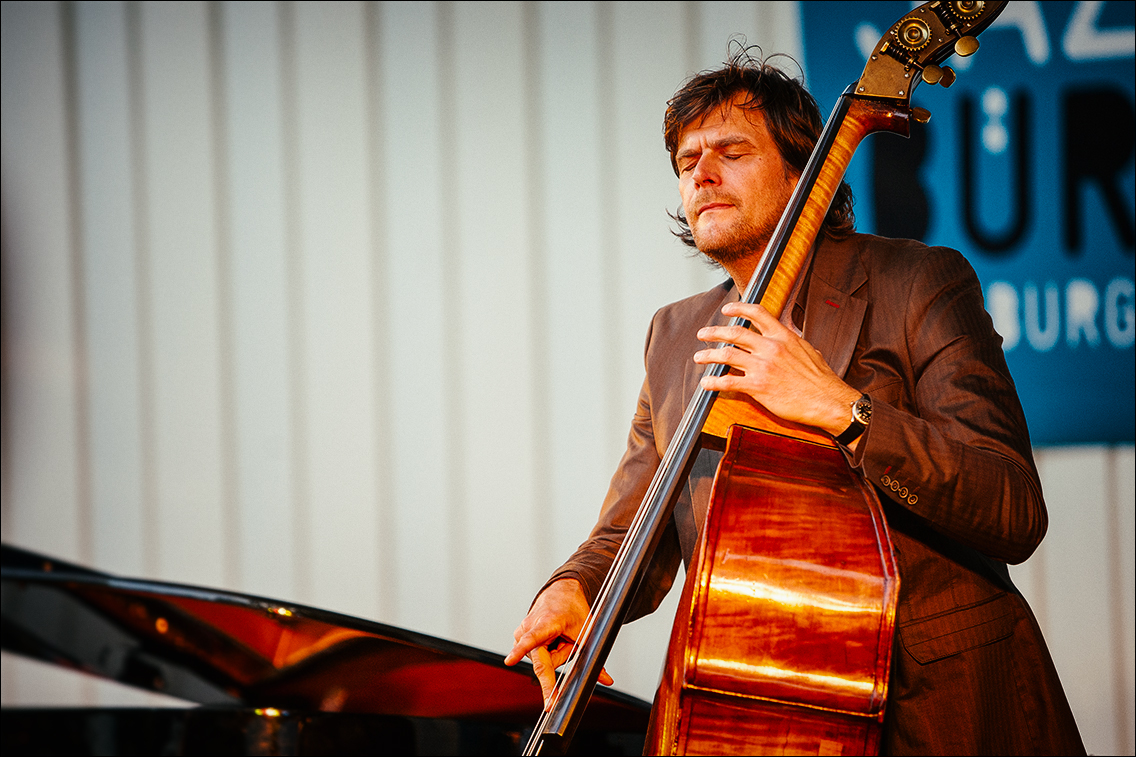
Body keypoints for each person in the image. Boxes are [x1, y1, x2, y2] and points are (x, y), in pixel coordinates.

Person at [504, 50, 1085, 755]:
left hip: (946, 710)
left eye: (731, 151)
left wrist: (842, 408)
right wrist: (575, 587)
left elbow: (1013, 507)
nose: (701, 173)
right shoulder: (675, 332)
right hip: (776, 712)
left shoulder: (918, 282)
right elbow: (633, 528)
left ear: (805, 169)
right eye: (687, 160)